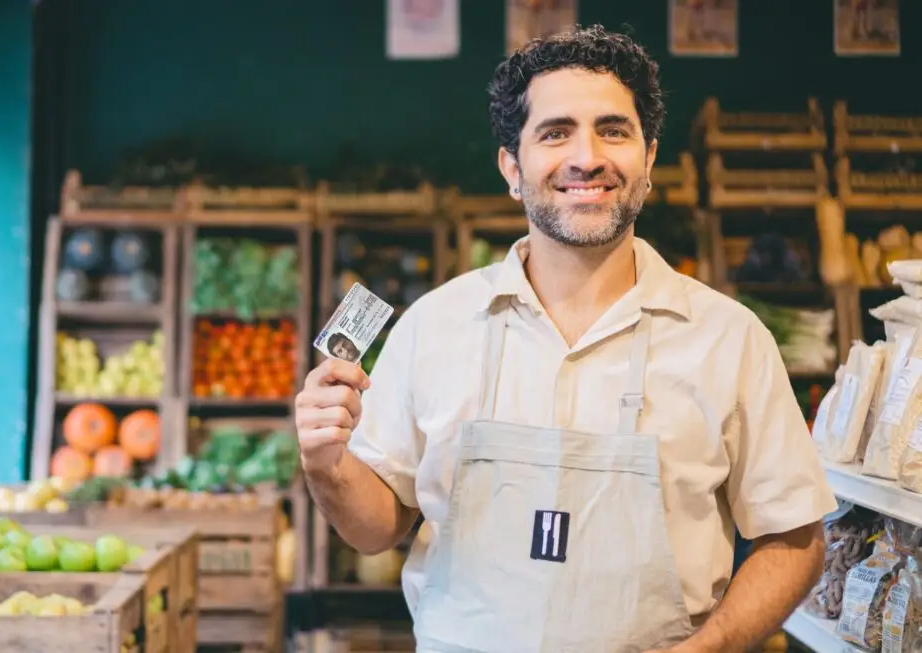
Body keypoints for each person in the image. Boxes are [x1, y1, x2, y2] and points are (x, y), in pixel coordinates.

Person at [295, 24, 837, 653]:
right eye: (555, 133)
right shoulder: (434, 326)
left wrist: (709, 647)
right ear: (512, 167)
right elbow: (373, 530)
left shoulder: (729, 338)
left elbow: (794, 540)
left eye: (613, 130)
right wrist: (327, 465)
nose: (587, 157)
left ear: (649, 158)